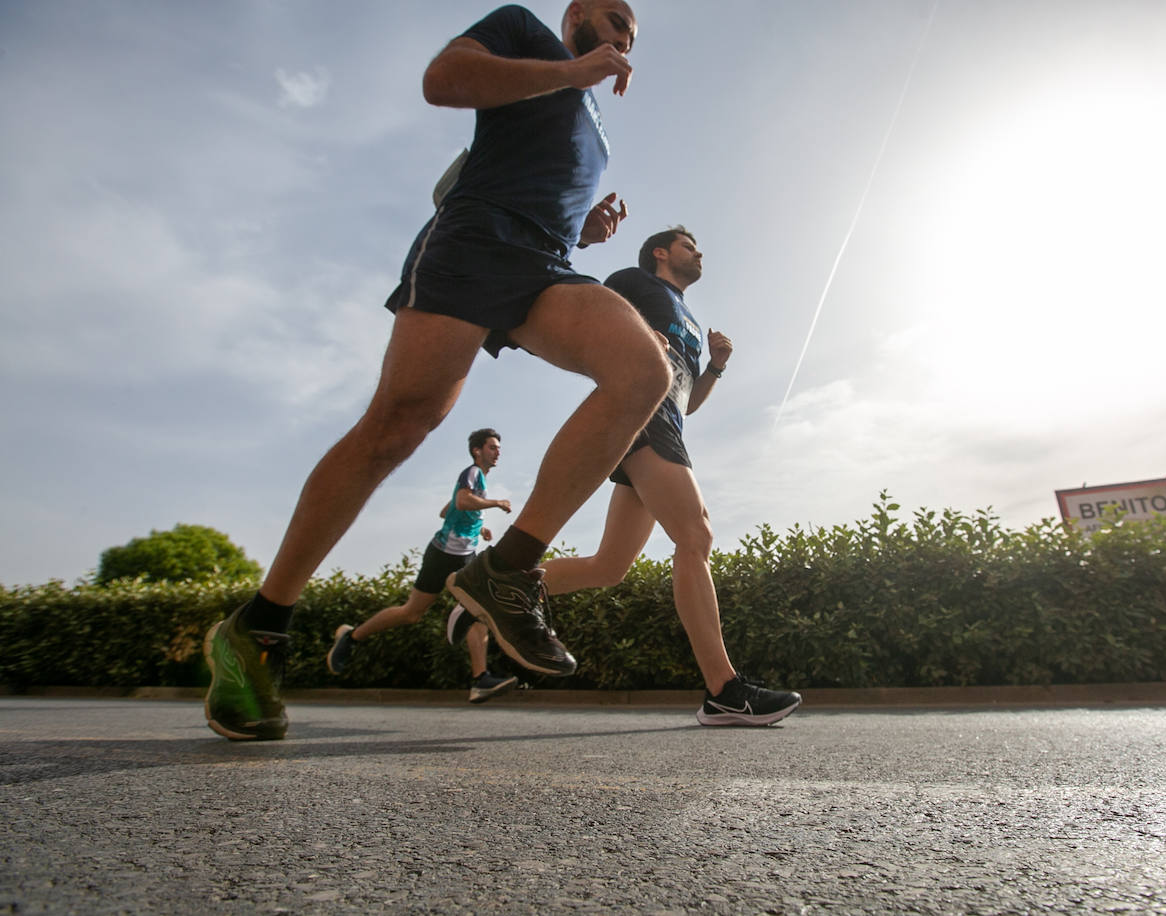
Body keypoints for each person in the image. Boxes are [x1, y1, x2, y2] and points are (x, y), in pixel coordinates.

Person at [204, 0, 671, 741]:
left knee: (644, 371)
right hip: (475, 238)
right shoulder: (524, 32)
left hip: (545, 263)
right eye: (614, 19)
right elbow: (443, 80)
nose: (623, 36)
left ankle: (508, 571)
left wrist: (584, 229)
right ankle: (258, 626)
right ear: (577, 13)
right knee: (399, 427)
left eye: (632, 34)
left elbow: (541, 180)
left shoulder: (597, 129)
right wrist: (572, 71)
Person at [538, 227, 802, 726]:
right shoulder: (633, 282)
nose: (699, 252)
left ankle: (500, 583)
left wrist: (715, 367)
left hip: (668, 421)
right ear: (660, 252)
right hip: (643, 413)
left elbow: (690, 402)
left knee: (609, 567)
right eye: (688, 246)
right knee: (695, 534)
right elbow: (587, 324)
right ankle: (725, 691)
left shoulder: (690, 320)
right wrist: (632, 340)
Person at [324, 428, 519, 704]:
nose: (498, 451)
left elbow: (447, 510)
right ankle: (351, 637)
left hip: (464, 555)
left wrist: (479, 525)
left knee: (476, 610)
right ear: (477, 451)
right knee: (412, 613)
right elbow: (461, 501)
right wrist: (495, 503)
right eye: (492, 447)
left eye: (498, 447)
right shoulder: (473, 472)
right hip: (444, 554)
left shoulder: (480, 480)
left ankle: (480, 680)